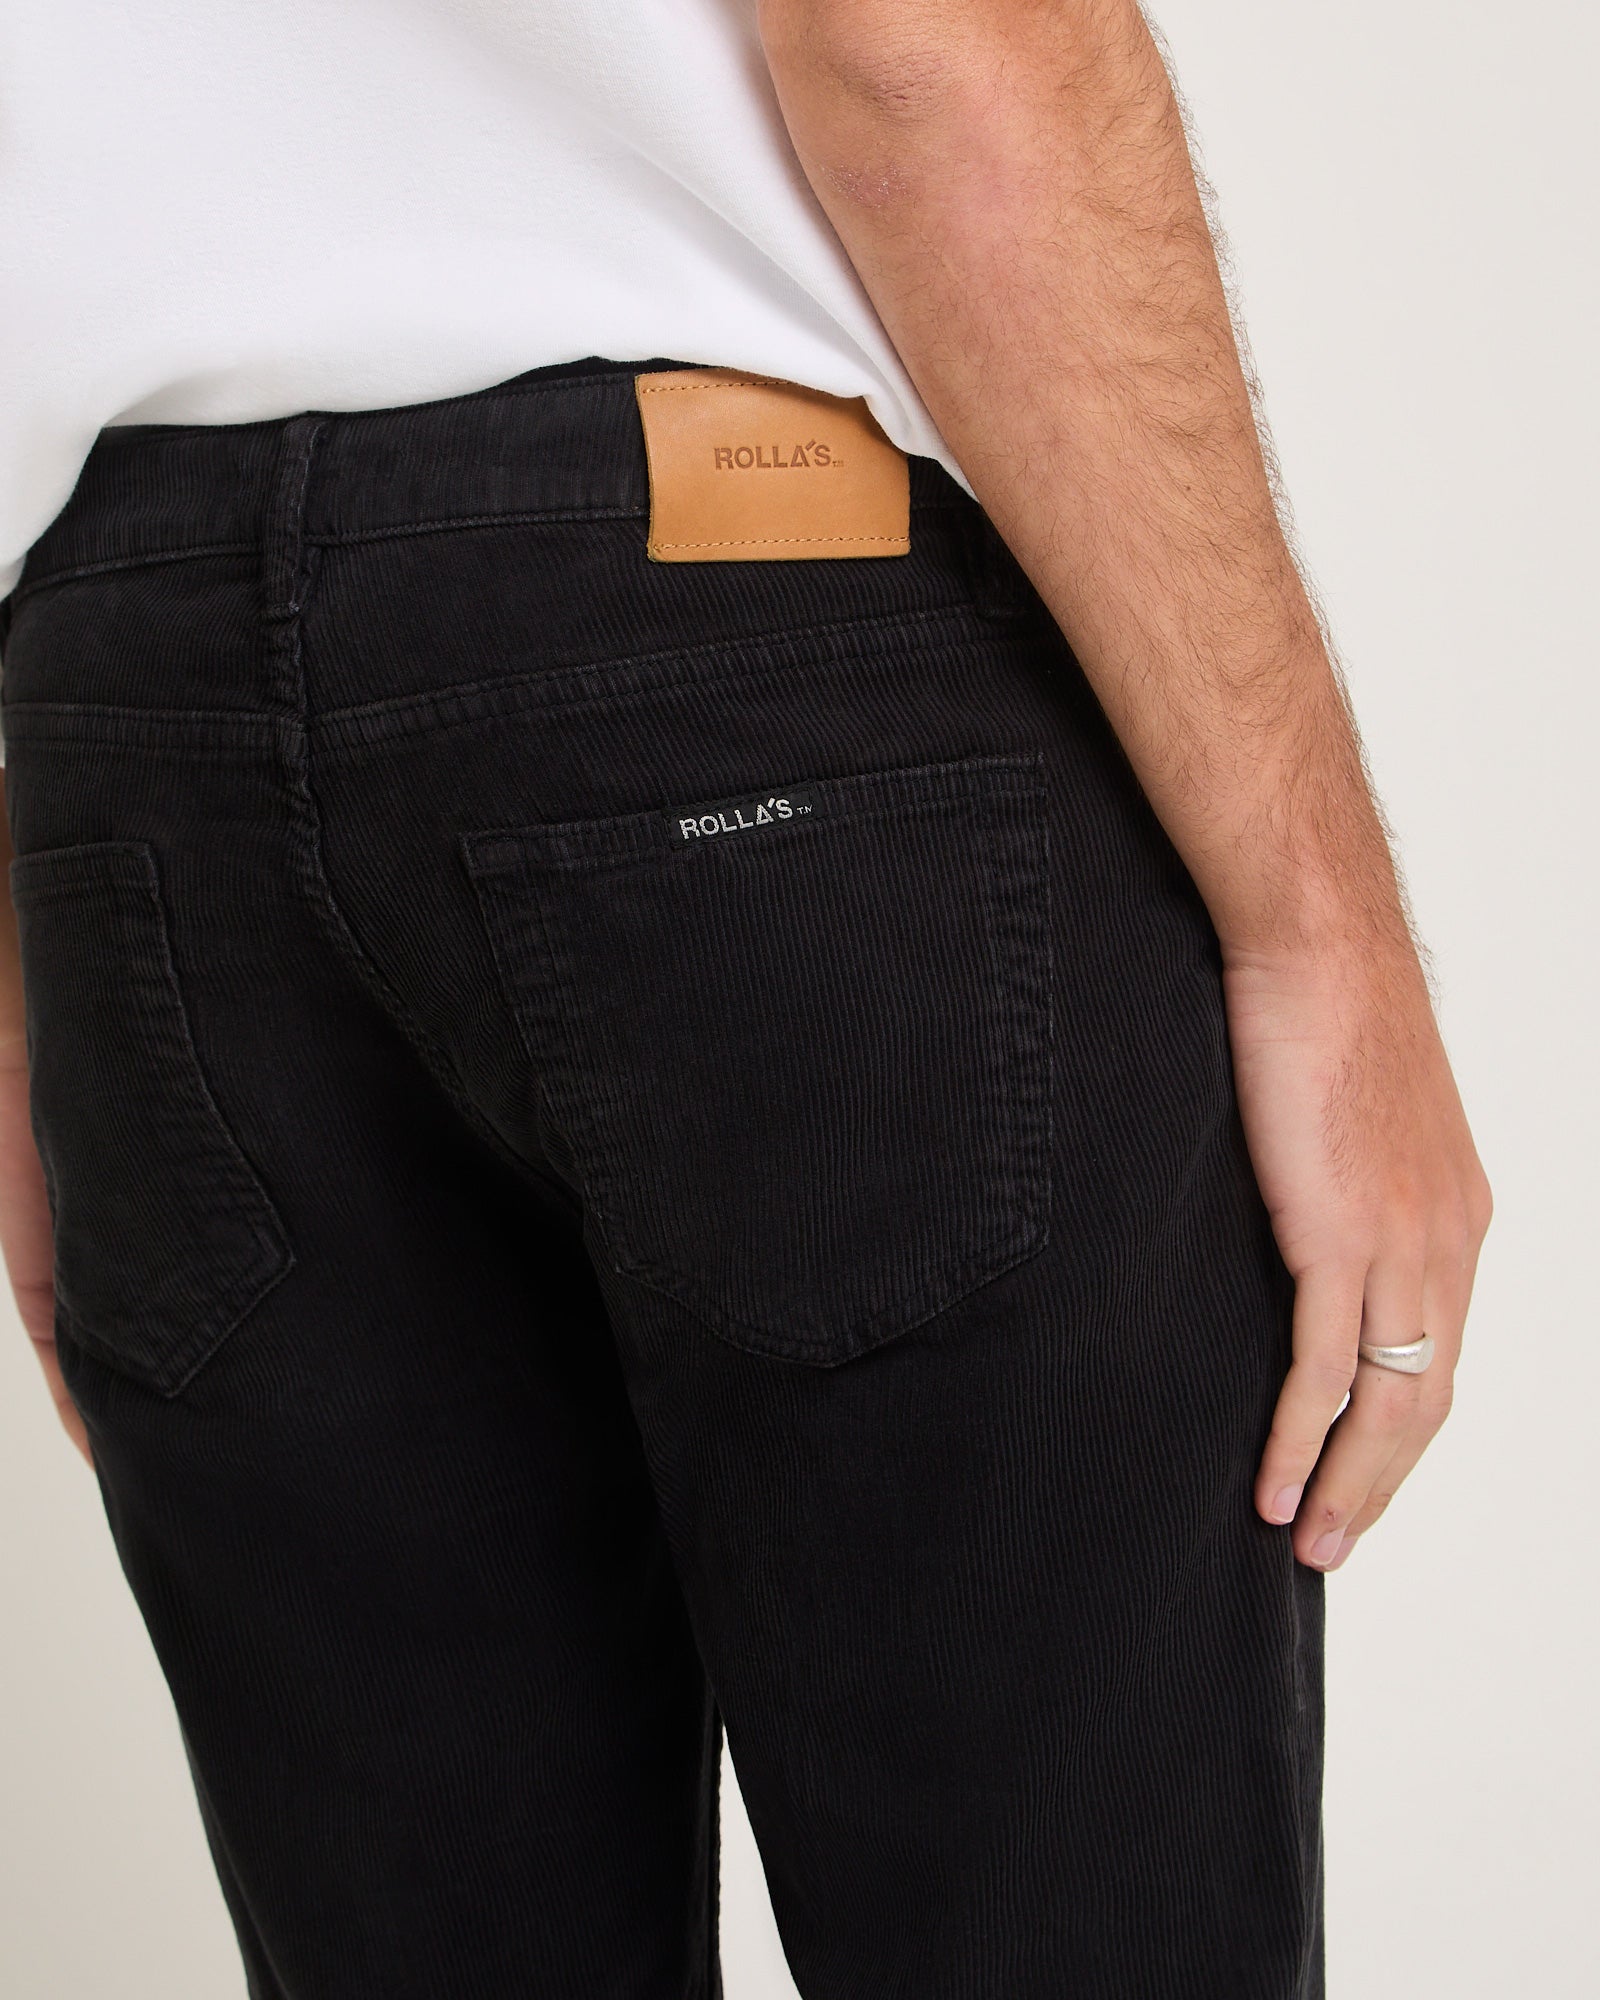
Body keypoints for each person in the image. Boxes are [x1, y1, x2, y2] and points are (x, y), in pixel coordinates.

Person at [0, 3, 1490, 1996]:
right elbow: (921, 42)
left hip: (123, 722)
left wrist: (27, 974)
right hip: (764, 661)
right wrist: (1324, 928)